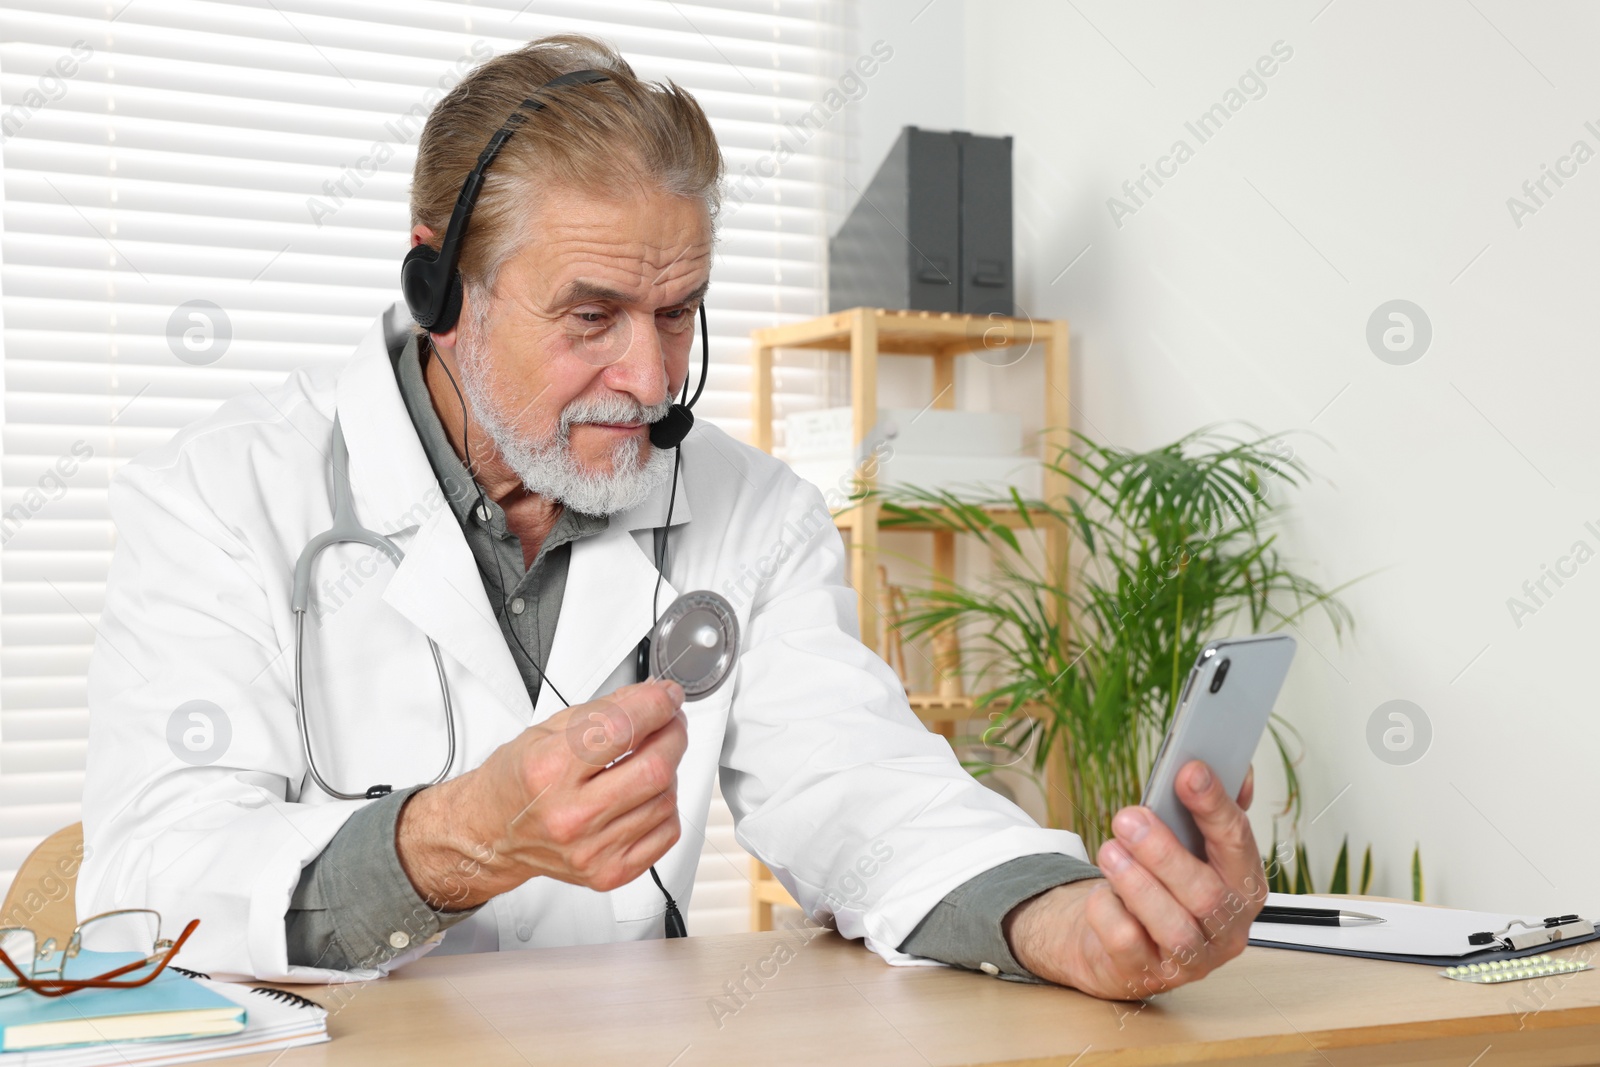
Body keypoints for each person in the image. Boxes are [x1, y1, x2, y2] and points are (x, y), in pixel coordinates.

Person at [78, 33, 1266, 1000]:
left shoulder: (752, 512)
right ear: (440, 290)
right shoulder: (217, 496)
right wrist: (451, 839)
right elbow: (145, 881)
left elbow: (863, 791)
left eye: (678, 310)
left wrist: (1065, 921)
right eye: (590, 316)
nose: (649, 380)